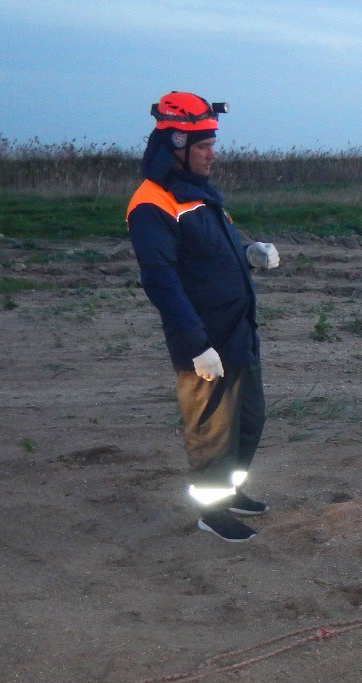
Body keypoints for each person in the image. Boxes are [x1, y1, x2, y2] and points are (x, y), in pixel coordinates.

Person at [126, 92, 280, 542]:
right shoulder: (151, 203)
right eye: (203, 145)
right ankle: (211, 513)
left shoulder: (199, 193)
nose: (213, 153)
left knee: (249, 420)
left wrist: (249, 253)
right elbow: (161, 280)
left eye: (212, 143)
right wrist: (195, 345)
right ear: (175, 145)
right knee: (213, 431)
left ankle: (230, 494)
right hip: (204, 342)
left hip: (237, 331)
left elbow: (209, 252)